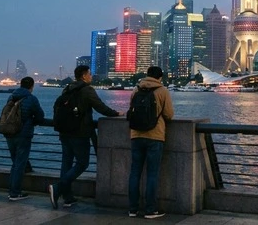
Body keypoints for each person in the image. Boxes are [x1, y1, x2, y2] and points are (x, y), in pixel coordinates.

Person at [48, 65, 123, 209]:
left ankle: (67, 197)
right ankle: (57, 188)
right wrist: (115, 113)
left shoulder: (68, 88)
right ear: (83, 76)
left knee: (66, 163)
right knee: (82, 163)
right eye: (89, 74)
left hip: (64, 132)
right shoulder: (87, 90)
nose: (91, 76)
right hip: (79, 132)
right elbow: (100, 107)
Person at [128, 66, 174, 219]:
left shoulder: (136, 89)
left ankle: (133, 209)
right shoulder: (162, 91)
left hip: (136, 134)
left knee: (135, 172)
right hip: (155, 136)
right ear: (160, 77)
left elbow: (131, 109)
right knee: (152, 174)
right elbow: (169, 114)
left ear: (147, 75)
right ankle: (150, 210)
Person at [5, 76, 45, 201]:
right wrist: (32, 121)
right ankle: (15, 193)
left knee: (15, 163)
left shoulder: (11, 97)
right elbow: (40, 116)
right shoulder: (31, 98)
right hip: (23, 134)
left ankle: (11, 191)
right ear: (32, 86)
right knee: (20, 164)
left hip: (9, 133)